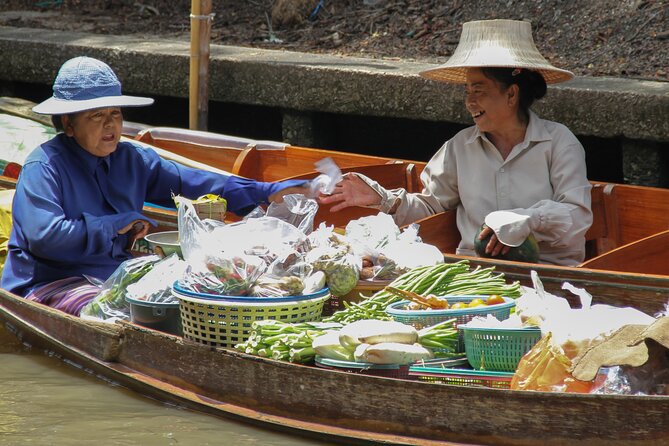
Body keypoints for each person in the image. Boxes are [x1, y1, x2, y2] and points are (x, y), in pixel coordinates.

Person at [0, 56, 307, 315]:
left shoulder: (132, 159)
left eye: (115, 115)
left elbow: (194, 182)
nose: (111, 125)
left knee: (192, 297)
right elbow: (46, 238)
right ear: (68, 124)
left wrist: (266, 192)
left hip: (113, 272)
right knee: (118, 313)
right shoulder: (44, 166)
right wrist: (115, 225)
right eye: (97, 116)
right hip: (51, 283)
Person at [320, 19, 592, 266]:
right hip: (475, 274)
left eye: (479, 90)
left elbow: (577, 216)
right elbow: (430, 206)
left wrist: (528, 220)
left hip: (549, 274)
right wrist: (384, 199)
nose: (469, 101)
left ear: (511, 94)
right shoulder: (459, 148)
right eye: (467, 90)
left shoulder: (559, 142)